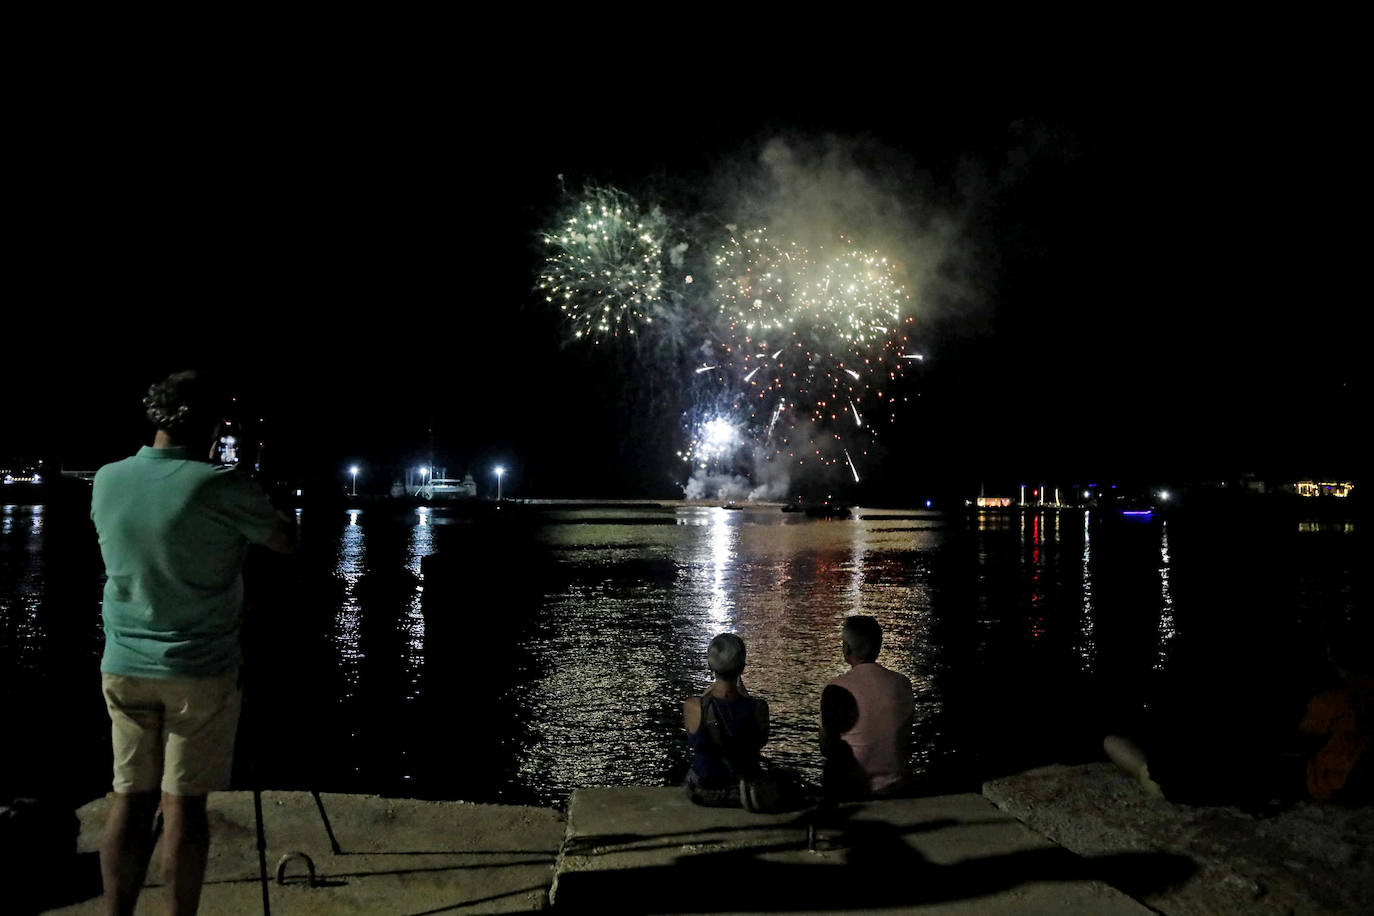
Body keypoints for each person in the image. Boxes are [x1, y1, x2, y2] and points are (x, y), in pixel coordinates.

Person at [91, 370, 297, 916]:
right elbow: (286, 539)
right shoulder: (220, 485)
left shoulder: (107, 479)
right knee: (184, 808)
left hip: (123, 664)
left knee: (128, 801)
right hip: (198, 670)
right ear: (208, 424)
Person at [820, 615, 914, 799]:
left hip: (853, 787)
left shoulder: (835, 688)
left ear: (846, 649)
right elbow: (906, 736)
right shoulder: (902, 683)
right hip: (896, 786)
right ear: (878, 648)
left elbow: (825, 746)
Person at [682, 633, 770, 807]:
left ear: (710, 665)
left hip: (704, 790)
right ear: (742, 667)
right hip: (743, 791)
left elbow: (706, 707)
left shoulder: (693, 706)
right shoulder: (759, 708)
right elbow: (759, 742)